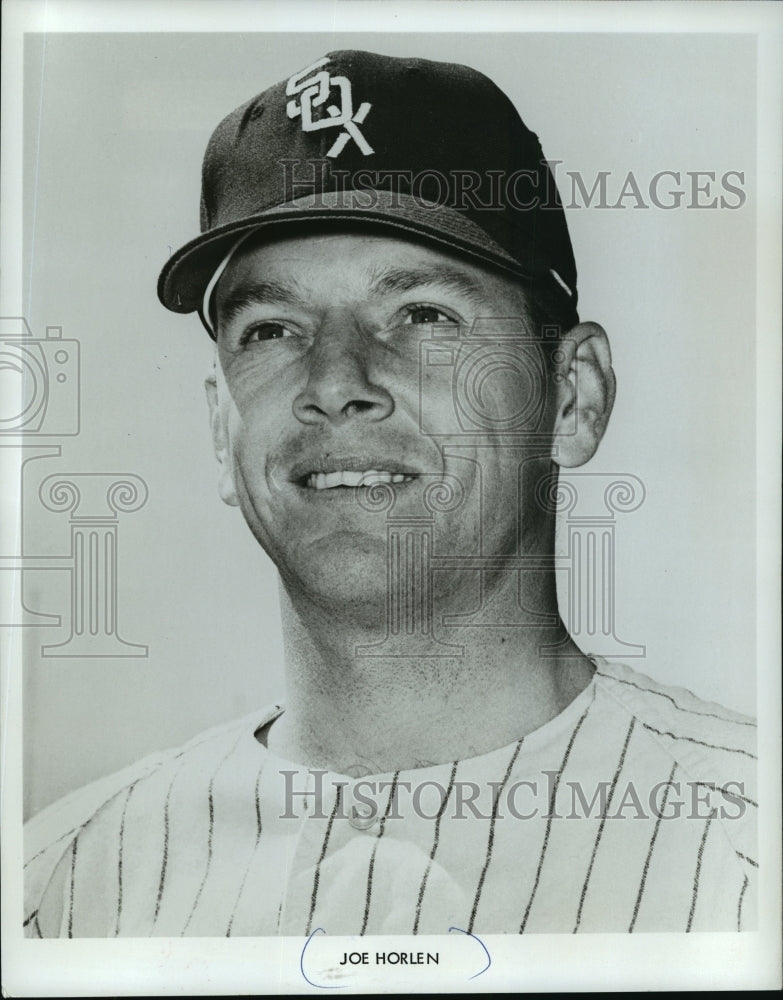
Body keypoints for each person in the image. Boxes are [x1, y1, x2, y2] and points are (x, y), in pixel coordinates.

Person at [24, 49, 756, 938]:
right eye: (271, 328)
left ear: (573, 394)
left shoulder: (753, 842)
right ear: (222, 429)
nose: (335, 381)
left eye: (423, 316)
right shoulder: (56, 889)